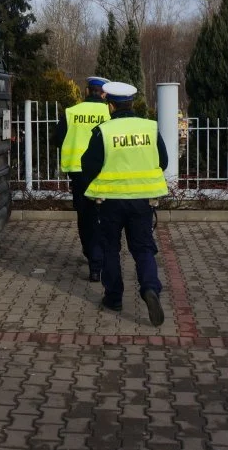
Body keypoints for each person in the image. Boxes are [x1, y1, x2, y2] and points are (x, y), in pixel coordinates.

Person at [80, 81, 170, 327]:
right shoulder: (150, 128)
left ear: (111, 106)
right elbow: (163, 161)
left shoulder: (104, 131)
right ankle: (151, 288)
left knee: (110, 248)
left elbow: (88, 166)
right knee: (143, 248)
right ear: (132, 103)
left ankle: (114, 297)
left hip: (109, 202)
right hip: (142, 202)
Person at [54, 76, 111, 281]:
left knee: (85, 216)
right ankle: (101, 258)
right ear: (104, 94)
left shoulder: (71, 112)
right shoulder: (110, 113)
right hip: (104, 172)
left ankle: (91, 255)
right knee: (103, 215)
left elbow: (57, 139)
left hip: (78, 172)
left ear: (86, 91)